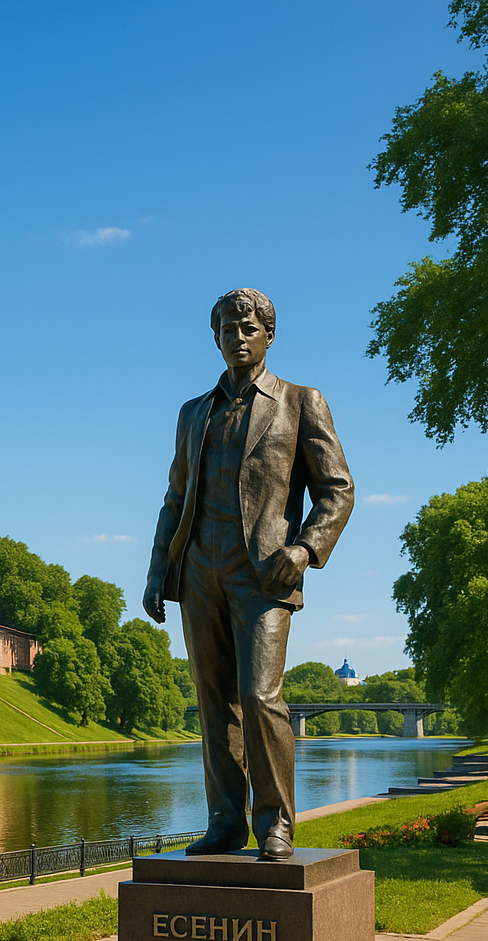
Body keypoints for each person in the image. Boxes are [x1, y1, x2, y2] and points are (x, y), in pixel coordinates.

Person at [144, 288, 353, 860]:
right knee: (215, 704)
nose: (237, 337)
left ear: (269, 335)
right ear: (215, 338)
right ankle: (224, 821)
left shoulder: (301, 401)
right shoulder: (193, 413)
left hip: (263, 574)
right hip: (198, 572)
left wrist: (305, 549)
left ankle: (276, 823)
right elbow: (174, 498)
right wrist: (158, 571)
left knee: (260, 697)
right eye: (227, 329)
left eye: (248, 328)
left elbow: (337, 489)